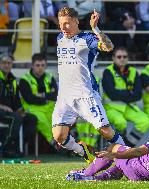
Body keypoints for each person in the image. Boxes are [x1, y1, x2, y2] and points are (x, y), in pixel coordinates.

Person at [52, 7, 125, 164]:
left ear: (76, 21)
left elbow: (109, 47)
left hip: (86, 94)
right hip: (65, 97)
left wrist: (95, 28)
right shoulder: (60, 38)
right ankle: (84, 152)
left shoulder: (87, 39)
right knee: (58, 135)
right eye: (60, 24)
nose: (63, 27)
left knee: (106, 131)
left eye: (67, 23)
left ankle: (128, 159)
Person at [102, 47, 149, 145]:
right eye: (119, 57)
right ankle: (119, 145)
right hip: (113, 108)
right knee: (121, 122)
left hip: (130, 108)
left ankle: (128, 145)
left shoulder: (133, 71)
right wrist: (129, 93)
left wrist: (121, 93)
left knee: (145, 121)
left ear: (128, 58)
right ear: (114, 58)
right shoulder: (108, 71)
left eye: (124, 57)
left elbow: (138, 95)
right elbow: (112, 94)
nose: (122, 59)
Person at [0, 54, 37, 157]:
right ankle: (6, 149)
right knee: (15, 118)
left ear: (11, 65)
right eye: (4, 63)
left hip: (10, 112)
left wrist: (21, 110)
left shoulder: (13, 80)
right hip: (1, 111)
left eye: (9, 63)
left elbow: (16, 100)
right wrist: (2, 106)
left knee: (31, 118)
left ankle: (19, 146)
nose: (6, 65)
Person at [19, 53, 58, 149]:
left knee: (60, 119)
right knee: (42, 120)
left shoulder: (49, 77)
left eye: (42, 65)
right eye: (37, 65)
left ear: (45, 66)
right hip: (32, 108)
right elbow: (29, 98)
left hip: (49, 108)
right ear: (32, 65)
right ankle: (55, 143)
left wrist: (41, 95)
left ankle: (64, 142)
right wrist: (47, 97)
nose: (40, 68)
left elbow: (55, 95)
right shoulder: (25, 79)